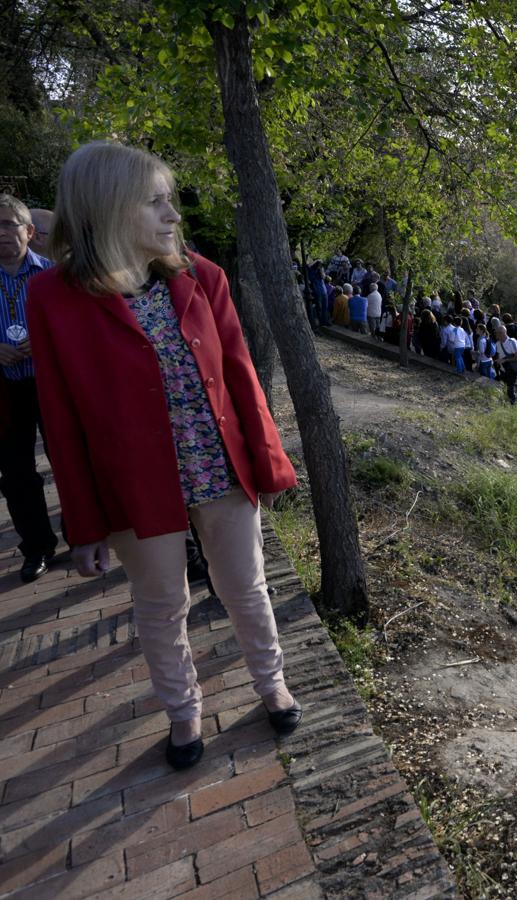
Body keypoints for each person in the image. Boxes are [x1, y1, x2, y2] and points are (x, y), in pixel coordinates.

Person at [29, 141, 301, 771]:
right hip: (134, 486)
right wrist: (84, 525)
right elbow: (61, 418)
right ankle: (183, 714)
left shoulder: (202, 278)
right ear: (109, 211)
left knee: (246, 588)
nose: (173, 215)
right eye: (155, 202)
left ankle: (272, 685)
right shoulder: (54, 298)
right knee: (161, 604)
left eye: (168, 200)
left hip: (218, 468)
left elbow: (241, 380)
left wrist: (267, 462)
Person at [0, 195, 61, 581]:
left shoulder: (52, 275)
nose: (1, 233)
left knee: (67, 461)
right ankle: (37, 547)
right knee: (16, 473)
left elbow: (76, 329)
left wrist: (43, 341)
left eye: (9, 224)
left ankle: (84, 533)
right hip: (5, 391)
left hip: (50, 383)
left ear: (29, 231)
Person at [494, 325, 517, 401]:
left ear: (501, 333)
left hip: (512, 369)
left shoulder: (512, 342)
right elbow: (499, 355)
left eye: (496, 333)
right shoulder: (498, 343)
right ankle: (509, 401)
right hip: (503, 369)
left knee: (510, 388)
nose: (495, 335)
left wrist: (505, 360)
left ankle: (515, 404)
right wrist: (498, 362)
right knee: (505, 386)